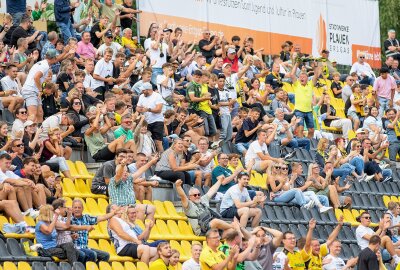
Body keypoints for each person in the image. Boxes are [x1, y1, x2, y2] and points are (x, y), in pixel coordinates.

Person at [21, 49, 58, 122]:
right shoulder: (45, 66)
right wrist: (41, 90)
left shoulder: (43, 63)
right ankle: (26, 132)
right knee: (32, 114)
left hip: (34, 90)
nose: (56, 59)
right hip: (30, 90)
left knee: (40, 113)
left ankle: (39, 132)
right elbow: (36, 77)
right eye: (56, 57)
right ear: (54, 58)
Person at [289, 60, 320, 138]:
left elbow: (316, 75)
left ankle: (308, 143)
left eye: (303, 77)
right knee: (300, 129)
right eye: (300, 77)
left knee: (311, 130)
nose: (301, 78)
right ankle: (301, 144)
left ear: (307, 78)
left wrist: (314, 66)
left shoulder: (310, 84)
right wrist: (296, 64)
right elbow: (292, 74)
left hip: (309, 110)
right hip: (299, 110)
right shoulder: (297, 84)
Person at [136, 82, 165, 152]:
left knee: (158, 143)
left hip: (157, 121)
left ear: (149, 90)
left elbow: (159, 109)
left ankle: (163, 158)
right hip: (146, 122)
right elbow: (137, 107)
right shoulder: (141, 96)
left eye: (143, 90)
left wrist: (148, 109)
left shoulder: (157, 96)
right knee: (146, 142)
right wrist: (139, 109)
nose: (142, 92)